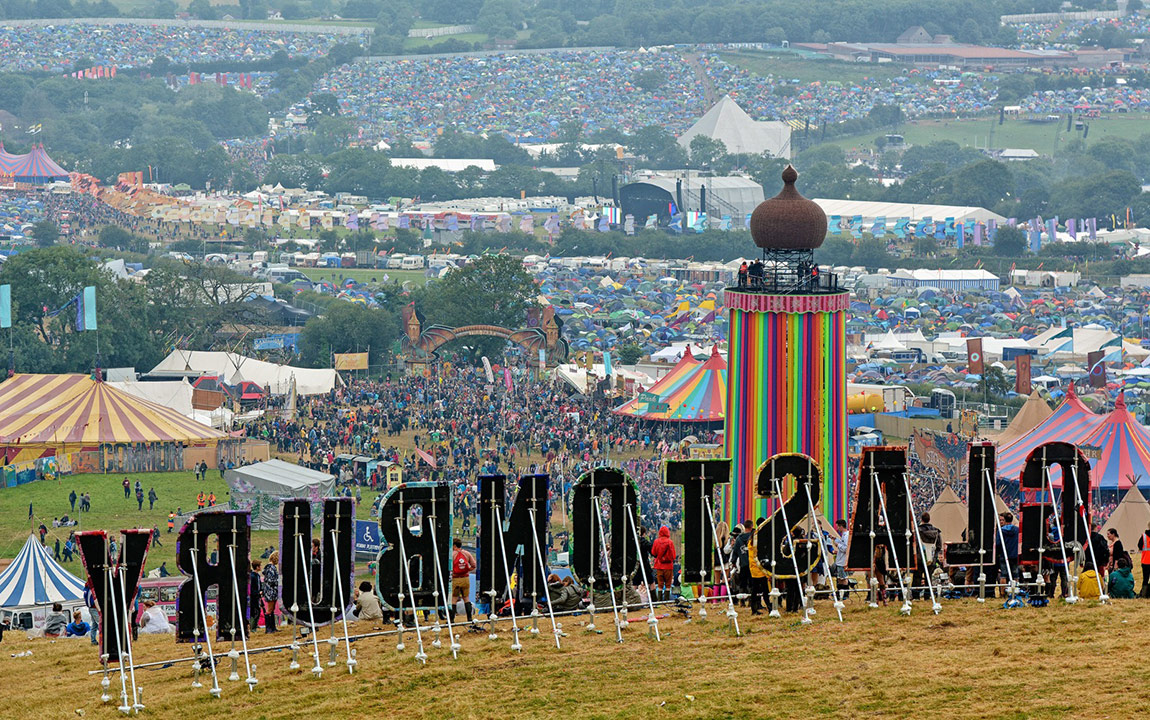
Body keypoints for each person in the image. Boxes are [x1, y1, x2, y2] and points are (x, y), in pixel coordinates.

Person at [745, 520, 769, 615]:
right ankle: (770, 608)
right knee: (764, 590)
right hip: (758, 568)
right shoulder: (756, 539)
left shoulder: (752, 538)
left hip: (755, 568)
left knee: (755, 590)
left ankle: (754, 609)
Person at [450, 538, 476, 623]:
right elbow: (474, 564)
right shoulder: (467, 553)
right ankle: (469, 618)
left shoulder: (452, 554)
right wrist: (468, 570)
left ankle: (452, 619)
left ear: (454, 545)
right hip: (465, 578)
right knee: (466, 598)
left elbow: (449, 567)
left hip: (455, 578)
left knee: (453, 598)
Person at [650, 525, 677, 602]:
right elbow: (673, 555)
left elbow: (653, 552)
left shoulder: (656, 541)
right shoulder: (670, 542)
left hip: (659, 565)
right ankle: (666, 600)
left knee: (660, 584)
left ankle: (659, 600)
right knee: (668, 584)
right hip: (668, 566)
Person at [997, 512, 1019, 597]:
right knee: (1015, 574)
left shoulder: (1001, 530)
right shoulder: (1017, 530)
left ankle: (1003, 593)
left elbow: (998, 543)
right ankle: (1016, 591)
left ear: (1005, 520)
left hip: (1004, 554)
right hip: (1014, 554)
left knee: (1003, 575)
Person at [262, 551, 280, 633]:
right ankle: (268, 628)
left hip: (271, 590)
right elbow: (270, 580)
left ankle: (272, 627)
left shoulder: (270, 567)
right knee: (269, 609)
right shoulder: (270, 568)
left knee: (272, 609)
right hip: (270, 591)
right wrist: (277, 581)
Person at [833, 519, 849, 591]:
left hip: (843, 561)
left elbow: (846, 548)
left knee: (843, 578)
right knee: (839, 578)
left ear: (841, 526)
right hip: (840, 561)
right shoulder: (844, 535)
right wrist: (835, 539)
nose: (837, 529)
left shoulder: (846, 536)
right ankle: (840, 592)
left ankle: (845, 593)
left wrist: (838, 545)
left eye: (838, 527)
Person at [249, 561, 263, 631]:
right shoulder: (252, 576)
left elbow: (259, 585)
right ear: (257, 567)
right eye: (260, 566)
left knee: (258, 610)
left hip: (257, 597)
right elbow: (251, 589)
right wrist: (258, 593)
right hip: (253, 598)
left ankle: (255, 625)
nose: (261, 567)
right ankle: (252, 627)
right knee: (254, 612)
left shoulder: (257, 575)